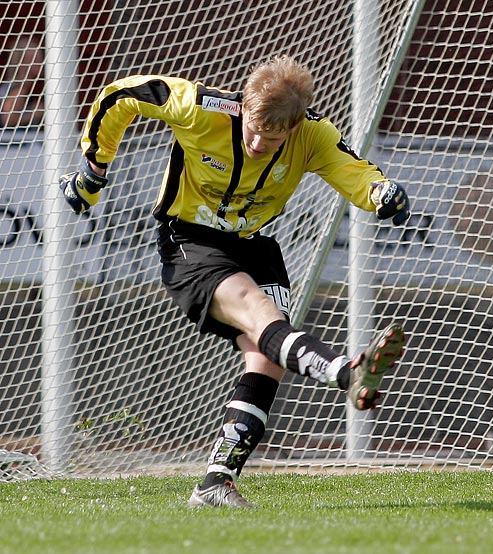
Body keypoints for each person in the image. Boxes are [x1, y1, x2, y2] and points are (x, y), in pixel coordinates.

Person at [58, 55, 410, 508]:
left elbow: (354, 172)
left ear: (295, 125)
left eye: (274, 135)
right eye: (254, 128)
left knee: (266, 360)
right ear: (243, 106)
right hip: (190, 239)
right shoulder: (198, 106)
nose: (260, 142)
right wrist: (94, 169)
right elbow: (120, 96)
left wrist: (381, 192)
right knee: (255, 308)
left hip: (255, 244)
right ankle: (343, 371)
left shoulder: (313, 136)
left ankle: (214, 484)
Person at [0, 36, 44, 128]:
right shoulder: (19, 89)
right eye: (36, 58)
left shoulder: (15, 86)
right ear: (24, 61)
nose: (41, 62)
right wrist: (34, 113)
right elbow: (7, 119)